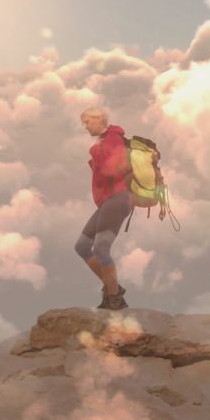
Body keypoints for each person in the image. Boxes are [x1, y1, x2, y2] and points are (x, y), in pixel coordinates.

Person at [74, 106, 132, 310]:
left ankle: (114, 298)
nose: (86, 127)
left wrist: (97, 154)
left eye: (88, 122)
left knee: (100, 248)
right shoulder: (103, 142)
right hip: (108, 201)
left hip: (118, 199)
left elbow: (116, 169)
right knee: (82, 246)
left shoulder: (114, 138)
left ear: (99, 120)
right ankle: (113, 287)